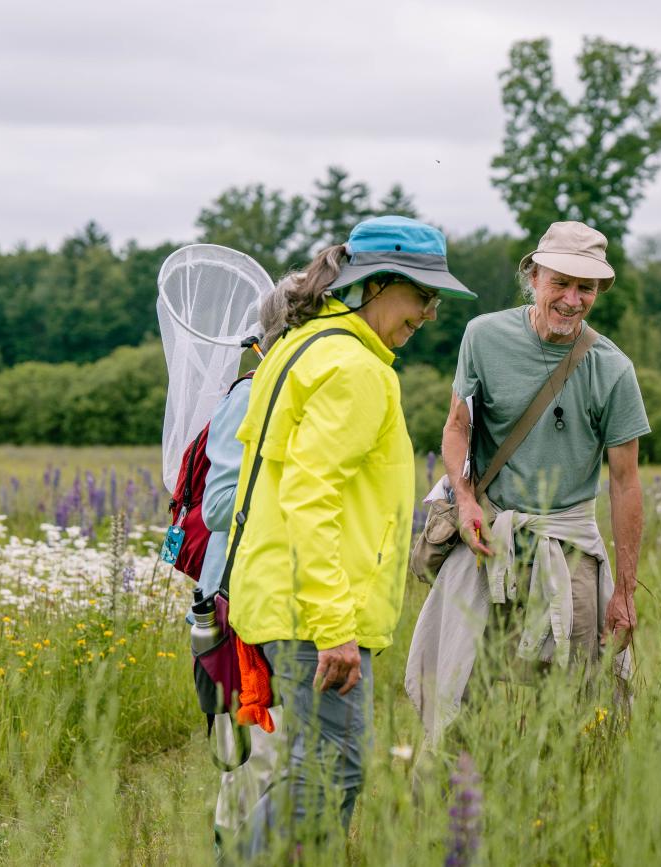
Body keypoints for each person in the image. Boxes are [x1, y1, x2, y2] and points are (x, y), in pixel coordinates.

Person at [224, 215, 476, 856]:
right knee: (330, 772)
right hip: (313, 611)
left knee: (322, 770)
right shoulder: (355, 369)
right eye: (421, 295)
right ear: (377, 284)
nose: (428, 312)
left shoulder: (302, 344)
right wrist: (333, 624)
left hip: (284, 595)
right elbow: (311, 496)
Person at [405, 220, 650, 744]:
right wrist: (465, 499)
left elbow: (626, 484)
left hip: (569, 546)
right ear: (533, 276)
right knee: (456, 690)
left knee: (581, 698)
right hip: (489, 538)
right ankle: (456, 801)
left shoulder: (612, 368)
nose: (571, 299)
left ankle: (565, 797)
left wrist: (624, 591)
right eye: (560, 282)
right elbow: (456, 427)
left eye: (586, 288)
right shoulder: (484, 336)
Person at [196, 277, 290, 858]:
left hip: (276, 594)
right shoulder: (250, 394)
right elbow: (218, 504)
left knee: (276, 753)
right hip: (233, 600)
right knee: (250, 756)